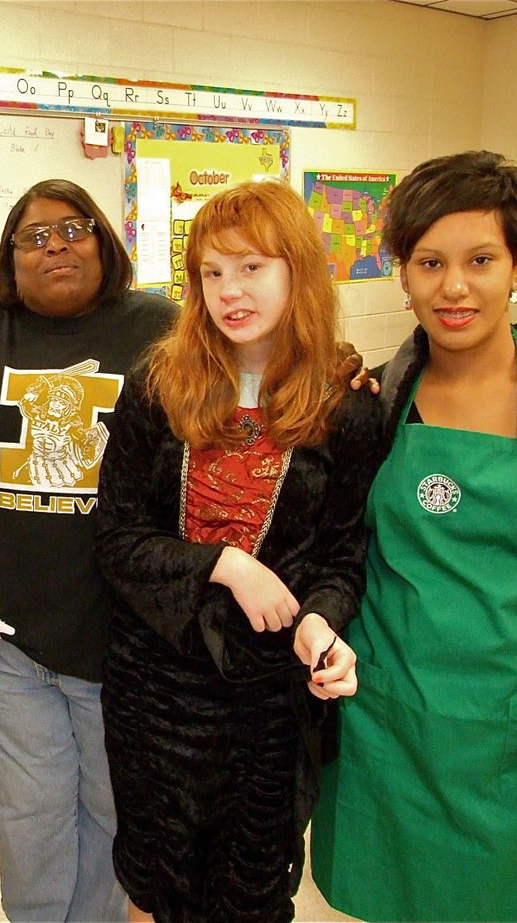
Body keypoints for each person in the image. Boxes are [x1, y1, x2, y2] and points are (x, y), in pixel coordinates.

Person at [311, 150, 517, 922]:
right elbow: (342, 549)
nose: (455, 286)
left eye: (481, 259)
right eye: (429, 262)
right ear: (401, 273)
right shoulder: (378, 399)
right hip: (393, 735)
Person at [93, 180, 383, 921]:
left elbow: (343, 558)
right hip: (154, 690)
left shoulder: (345, 405)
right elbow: (118, 539)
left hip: (264, 704)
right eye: (211, 273)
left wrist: (321, 623)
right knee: (154, 885)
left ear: (297, 270)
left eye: (251, 267)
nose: (229, 291)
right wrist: (225, 564)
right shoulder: (158, 385)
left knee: (249, 889)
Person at [0, 180, 179, 922]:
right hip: (7, 641)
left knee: (114, 813)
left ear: (105, 240)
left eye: (74, 229)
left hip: (123, 638)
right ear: (9, 258)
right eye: (34, 236)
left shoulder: (161, 326)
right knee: (30, 820)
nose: (57, 245)